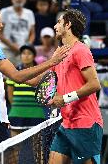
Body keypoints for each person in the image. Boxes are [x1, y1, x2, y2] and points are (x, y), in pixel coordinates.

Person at [0, 2, 69, 146]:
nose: (1, 25)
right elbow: (17, 76)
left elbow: (29, 80)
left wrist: (54, 68)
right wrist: (52, 61)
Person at [40, 9, 103, 164]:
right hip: (66, 123)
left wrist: (65, 98)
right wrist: (14, 75)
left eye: (59, 22)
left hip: (85, 123)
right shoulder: (59, 53)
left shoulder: (80, 50)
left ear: (68, 25)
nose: (55, 26)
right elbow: (43, 78)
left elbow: (95, 84)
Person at [6, 44, 46, 137]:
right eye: (23, 53)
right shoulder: (14, 72)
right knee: (15, 148)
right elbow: (10, 94)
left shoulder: (40, 72)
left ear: (34, 56)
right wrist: (19, 107)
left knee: (38, 149)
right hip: (17, 114)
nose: (26, 56)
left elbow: (44, 95)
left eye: (29, 53)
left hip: (37, 115)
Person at [0, 0, 35, 65]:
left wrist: (27, 46)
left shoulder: (29, 13)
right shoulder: (4, 12)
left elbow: (32, 33)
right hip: (6, 49)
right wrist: (12, 46)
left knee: (22, 75)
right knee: (6, 76)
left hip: (23, 51)